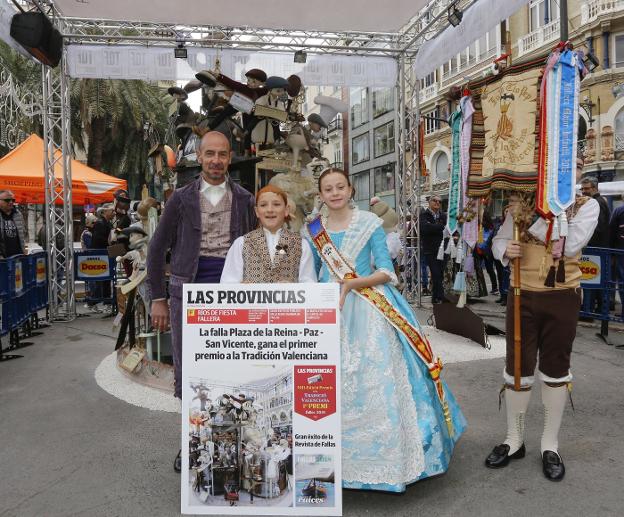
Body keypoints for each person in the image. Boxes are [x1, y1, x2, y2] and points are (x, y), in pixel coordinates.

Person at [306, 169, 465, 492]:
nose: (334, 193)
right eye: (328, 189)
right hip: (326, 309)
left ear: (350, 189)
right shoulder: (312, 230)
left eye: (340, 187)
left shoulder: (369, 223)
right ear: (320, 194)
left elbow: (385, 271)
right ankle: (322, 460)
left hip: (370, 308)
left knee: (378, 380)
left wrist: (352, 284)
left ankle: (389, 462)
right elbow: (313, 272)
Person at [486, 187, 599, 481]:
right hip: (521, 294)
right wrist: (504, 251)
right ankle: (514, 440)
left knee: (556, 368)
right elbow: (499, 240)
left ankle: (550, 445)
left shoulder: (586, 205)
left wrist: (534, 214)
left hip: (562, 296)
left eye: (573, 166)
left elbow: (571, 245)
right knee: (517, 367)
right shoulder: (522, 201)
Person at [148, 131, 256, 397]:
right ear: (199, 157)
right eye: (210, 153)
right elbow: (157, 248)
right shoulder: (180, 199)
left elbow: (257, 248)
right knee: (189, 363)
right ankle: (190, 433)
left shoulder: (245, 199)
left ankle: (228, 430)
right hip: (186, 291)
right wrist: (158, 299)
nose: (216, 160)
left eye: (222, 154)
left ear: (230, 158)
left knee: (231, 360)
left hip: (233, 291)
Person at [220, 185, 316, 283]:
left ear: (286, 210)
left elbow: (309, 284)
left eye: (276, 204)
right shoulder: (242, 244)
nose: (270, 210)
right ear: (257, 211)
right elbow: (228, 283)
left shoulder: (300, 244)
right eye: (263, 205)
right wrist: (242, 288)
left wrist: (293, 288)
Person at [420, 196, 447, 303]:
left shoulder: (443, 215)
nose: (437, 203)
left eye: (439, 201)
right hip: (430, 249)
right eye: (435, 201)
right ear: (429, 202)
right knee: (435, 273)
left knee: (440, 274)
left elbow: (446, 227)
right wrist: (439, 227)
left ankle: (436, 296)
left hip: (442, 249)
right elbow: (425, 229)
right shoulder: (423, 215)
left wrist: (434, 227)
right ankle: (439, 296)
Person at [609, 194, 624, 317]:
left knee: (622, 280)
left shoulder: (619, 211)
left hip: (620, 251)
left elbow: (611, 231)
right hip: (619, 251)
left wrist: (611, 252)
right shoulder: (619, 211)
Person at [0, 190, 26, 258]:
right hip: (3, 259)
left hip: (18, 257)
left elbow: (22, 234)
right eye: (7, 200)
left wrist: (23, 250)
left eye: (13, 200)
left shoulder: (18, 214)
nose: (11, 202)